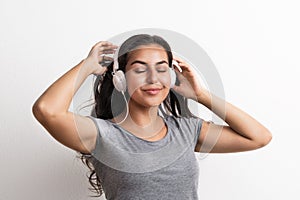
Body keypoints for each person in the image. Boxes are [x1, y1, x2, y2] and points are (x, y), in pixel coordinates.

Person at [32, 34, 272, 199]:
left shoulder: (187, 130)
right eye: (139, 69)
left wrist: (202, 95)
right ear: (121, 79)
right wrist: (86, 66)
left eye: (161, 68)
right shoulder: (102, 135)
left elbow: (258, 137)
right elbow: (46, 110)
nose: (153, 78)